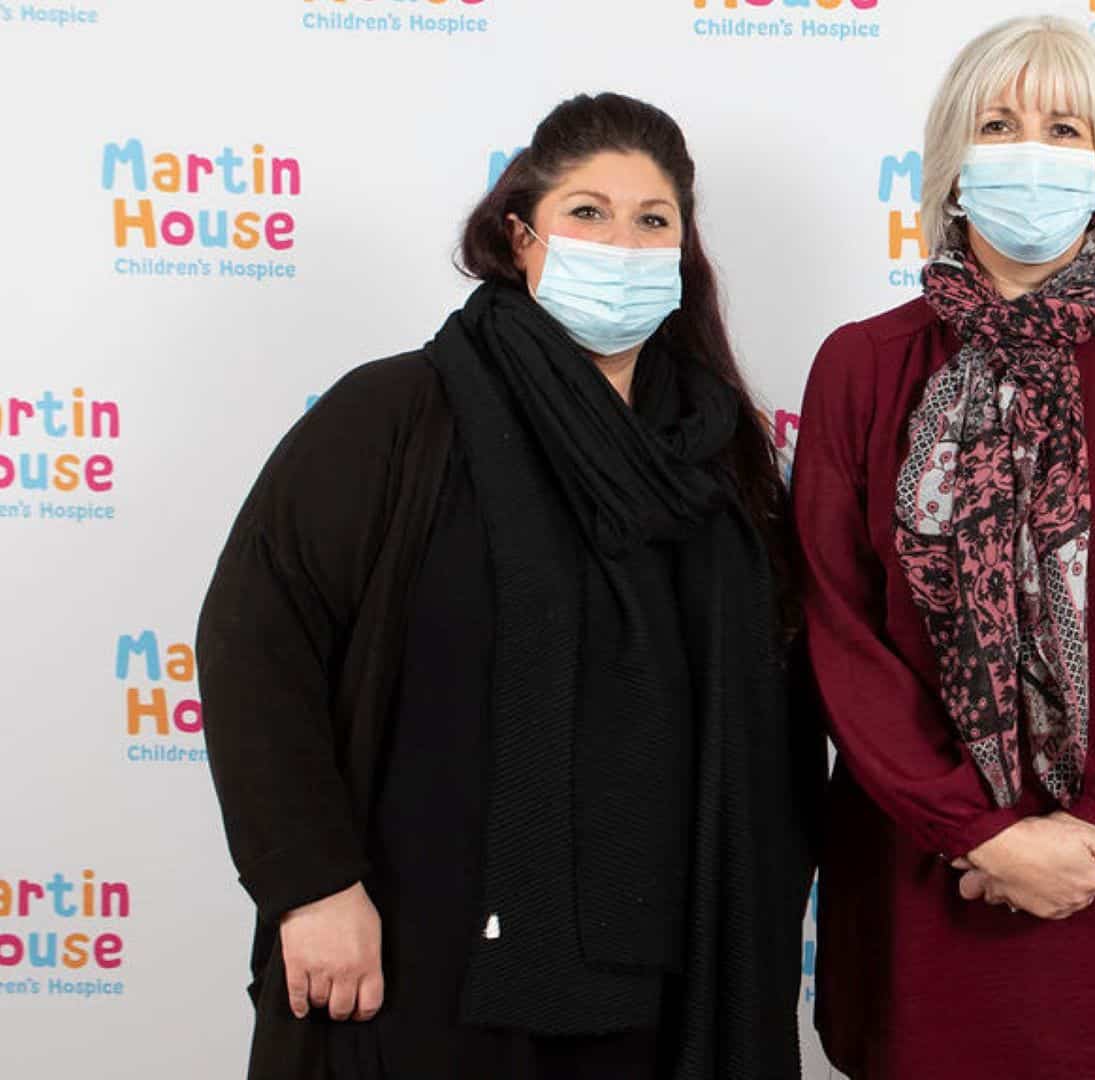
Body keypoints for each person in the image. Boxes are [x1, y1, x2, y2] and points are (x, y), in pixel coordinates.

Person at [196, 92, 820, 1080]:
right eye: (587, 213)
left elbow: (782, 701)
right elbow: (257, 644)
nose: (621, 242)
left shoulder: (720, 457)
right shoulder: (400, 414)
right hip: (422, 956)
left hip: (667, 976)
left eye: (651, 220)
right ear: (521, 236)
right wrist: (311, 887)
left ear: (682, 254)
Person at [793, 16, 1095, 1079]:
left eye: (1065, 126)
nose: (1031, 149)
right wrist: (978, 830)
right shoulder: (864, 366)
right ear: (952, 162)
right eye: (999, 123)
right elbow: (837, 628)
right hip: (927, 887)